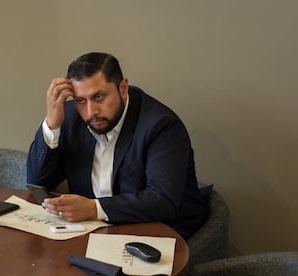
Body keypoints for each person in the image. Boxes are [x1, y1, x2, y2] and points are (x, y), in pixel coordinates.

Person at [27, 52, 209, 239]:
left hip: (162, 233)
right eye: (81, 100)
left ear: (123, 88)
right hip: (96, 232)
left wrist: (94, 209)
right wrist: (52, 125)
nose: (91, 112)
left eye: (99, 97)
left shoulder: (161, 126)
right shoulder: (71, 117)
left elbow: (162, 202)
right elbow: (37, 183)